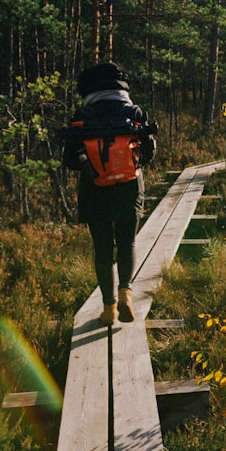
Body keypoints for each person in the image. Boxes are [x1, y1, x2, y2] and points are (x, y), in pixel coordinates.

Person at [61, 62, 156, 326]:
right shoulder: (134, 111)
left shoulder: (81, 115)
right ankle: (126, 292)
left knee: (102, 247)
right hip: (129, 185)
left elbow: (69, 159)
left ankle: (108, 309)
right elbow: (148, 153)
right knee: (127, 242)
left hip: (94, 188)